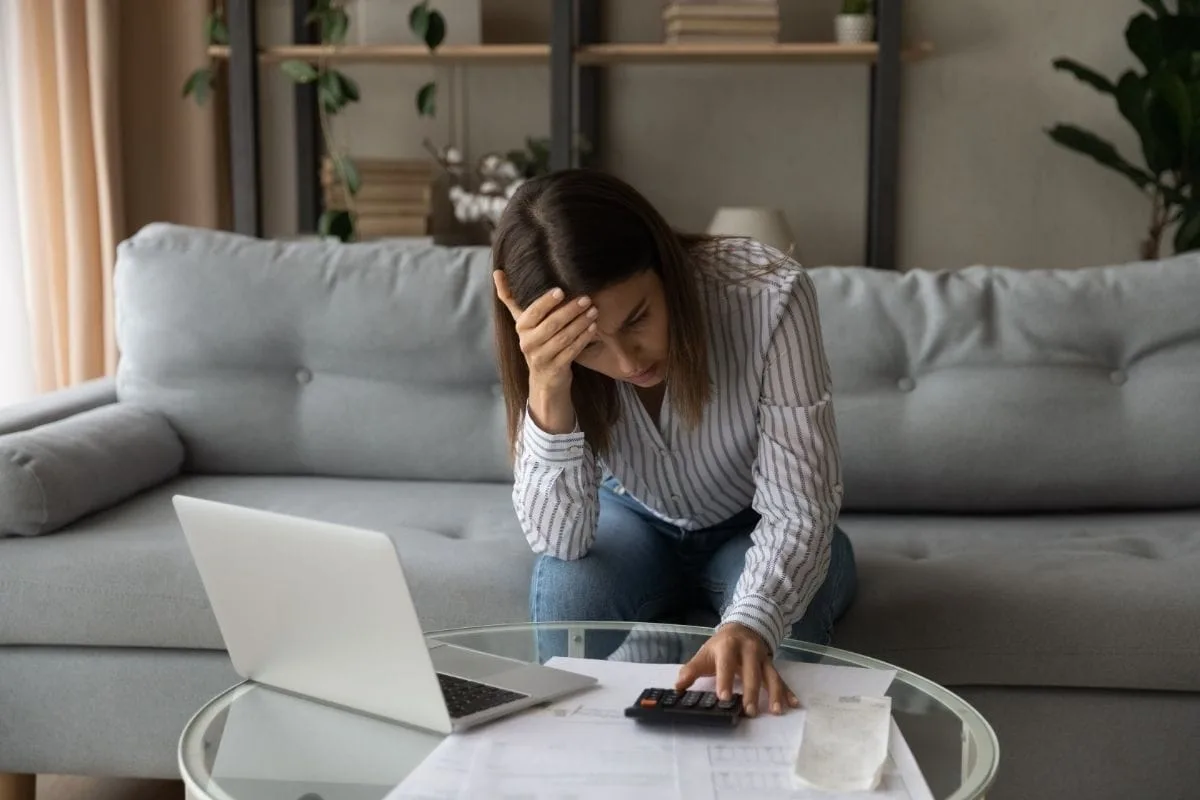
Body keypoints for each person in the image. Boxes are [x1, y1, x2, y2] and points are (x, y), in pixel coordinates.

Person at [491, 170, 856, 718]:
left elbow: (799, 510)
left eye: (638, 318)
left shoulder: (769, 294)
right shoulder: (555, 363)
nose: (628, 362)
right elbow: (558, 540)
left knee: (780, 629)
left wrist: (749, 621)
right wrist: (548, 382)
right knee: (568, 588)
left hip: (754, 524)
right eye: (588, 348)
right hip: (633, 518)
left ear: (664, 263)